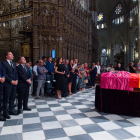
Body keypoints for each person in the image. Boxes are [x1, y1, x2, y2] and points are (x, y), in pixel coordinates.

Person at [2, 52, 18, 119]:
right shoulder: (3, 63)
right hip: (8, 84)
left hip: (14, 84)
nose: (12, 56)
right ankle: (5, 112)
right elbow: (4, 74)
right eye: (10, 54)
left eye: (12, 54)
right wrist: (11, 81)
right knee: (6, 99)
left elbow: (16, 73)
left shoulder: (13, 63)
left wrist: (16, 80)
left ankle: (11, 110)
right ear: (6, 56)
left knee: (12, 98)